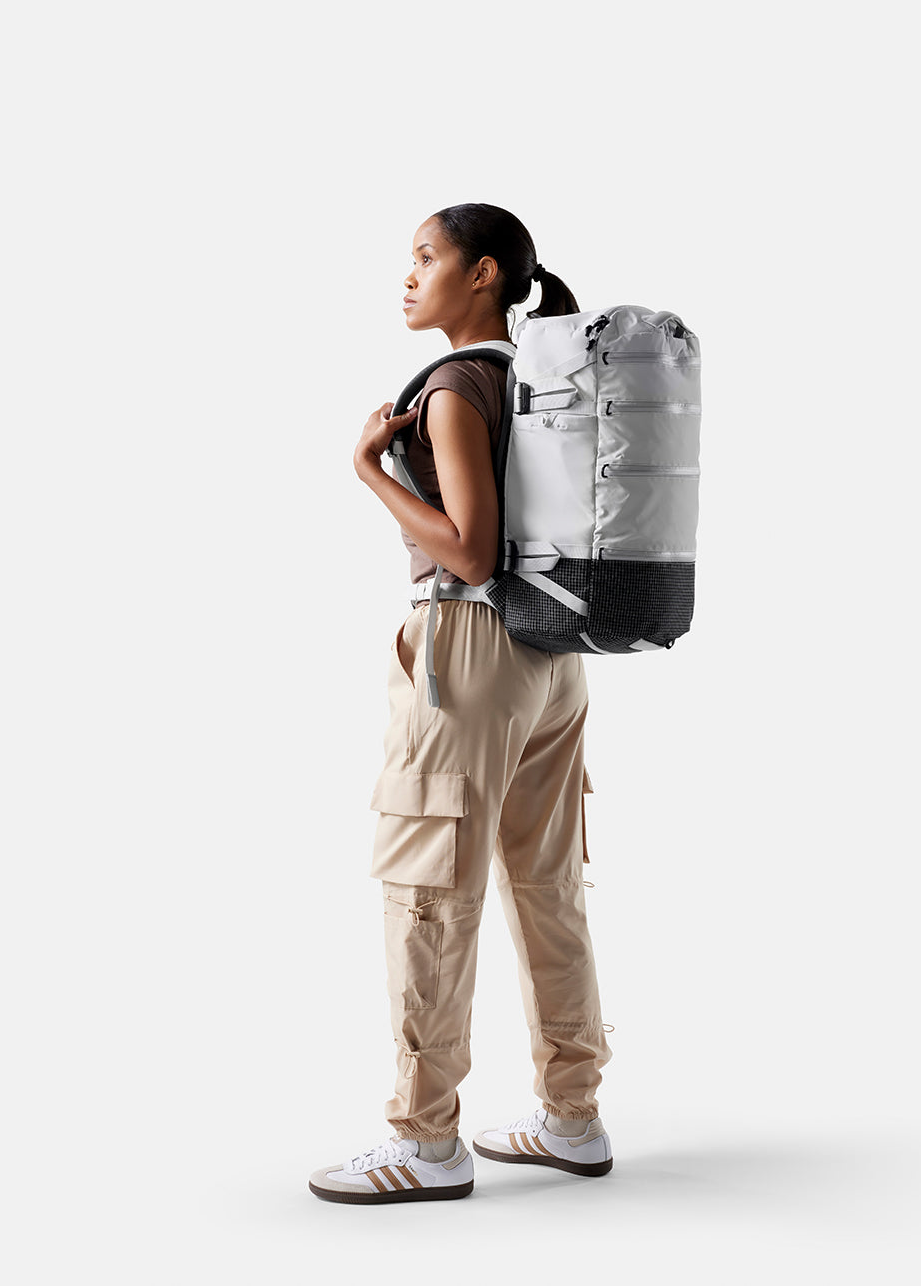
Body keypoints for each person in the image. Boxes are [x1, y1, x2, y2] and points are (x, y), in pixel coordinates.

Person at [309, 204, 613, 1205]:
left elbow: (470, 550)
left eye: (425, 257)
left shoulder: (451, 387)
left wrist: (365, 472)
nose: (408, 276)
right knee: (546, 886)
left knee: (430, 891)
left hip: (468, 649)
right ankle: (572, 1116)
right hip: (550, 655)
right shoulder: (534, 376)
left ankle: (425, 1140)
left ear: (482, 273)